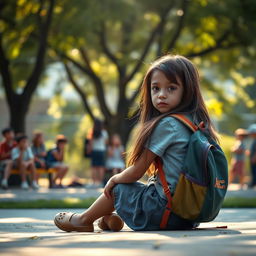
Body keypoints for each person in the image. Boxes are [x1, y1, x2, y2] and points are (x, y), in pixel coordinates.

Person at [54, 54, 220, 232]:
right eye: (155, 88)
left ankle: (83, 220)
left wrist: (113, 179)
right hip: (188, 217)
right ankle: (107, 220)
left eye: (171, 88)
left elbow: (136, 171)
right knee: (143, 188)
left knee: (119, 186)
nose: (161, 95)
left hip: (164, 214)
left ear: (187, 91)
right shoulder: (197, 123)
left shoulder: (169, 124)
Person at [89, 119, 108, 187]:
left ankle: (94, 182)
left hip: (94, 151)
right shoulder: (104, 133)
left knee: (94, 167)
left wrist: (90, 151)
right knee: (101, 167)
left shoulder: (92, 132)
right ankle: (100, 183)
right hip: (101, 151)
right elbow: (106, 143)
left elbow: (90, 143)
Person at [248, 124, 256, 188]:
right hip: (252, 158)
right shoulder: (254, 140)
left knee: (254, 171)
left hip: (254, 159)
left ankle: (253, 183)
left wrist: (254, 157)